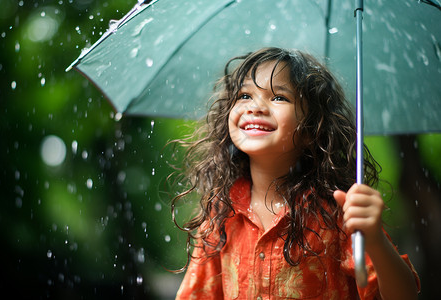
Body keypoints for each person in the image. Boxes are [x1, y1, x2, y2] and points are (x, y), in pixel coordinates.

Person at [171, 47, 420, 299]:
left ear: (312, 129)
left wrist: (375, 240)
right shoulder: (221, 212)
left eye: (279, 97)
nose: (255, 106)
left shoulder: (338, 213)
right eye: (245, 95)